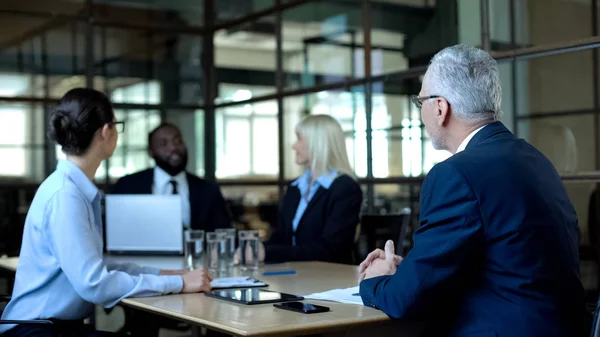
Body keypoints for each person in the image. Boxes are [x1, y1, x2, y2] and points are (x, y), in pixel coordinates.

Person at [358, 45, 586, 337]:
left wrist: (377, 280)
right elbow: (508, 262)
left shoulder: (455, 174)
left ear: (440, 108)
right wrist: (413, 272)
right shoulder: (535, 160)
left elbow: (405, 302)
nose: (421, 113)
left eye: (421, 101)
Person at [0, 88, 212, 337]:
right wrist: (179, 283)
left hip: (54, 327)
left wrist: (165, 274)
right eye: (116, 124)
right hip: (35, 331)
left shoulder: (73, 188)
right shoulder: (65, 196)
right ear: (106, 131)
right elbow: (95, 283)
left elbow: (97, 265)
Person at [237, 114, 362, 265]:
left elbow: (331, 250)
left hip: (330, 280)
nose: (294, 146)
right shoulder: (296, 187)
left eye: (299, 139)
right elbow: (282, 238)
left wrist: (267, 252)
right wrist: (255, 248)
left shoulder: (345, 188)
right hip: (293, 277)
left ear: (317, 143)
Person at [113, 123, 231, 231]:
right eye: (163, 144)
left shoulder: (209, 190)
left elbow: (224, 234)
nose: (173, 148)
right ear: (151, 152)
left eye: (178, 141)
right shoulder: (128, 186)